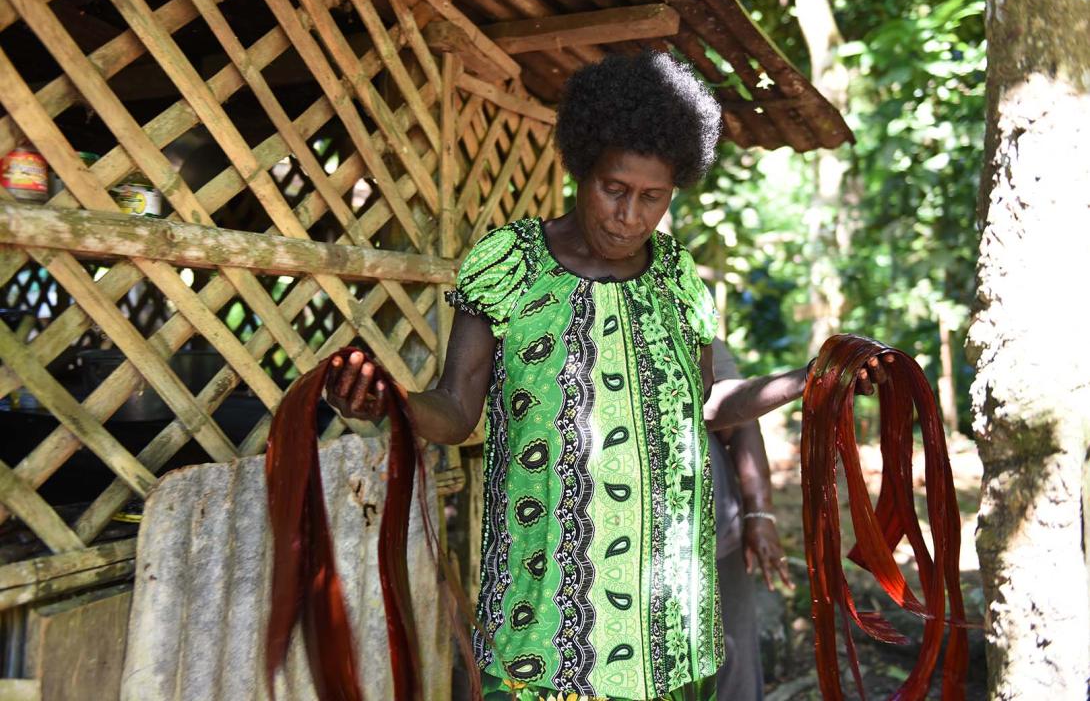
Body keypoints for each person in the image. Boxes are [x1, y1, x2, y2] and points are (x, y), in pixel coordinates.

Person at [326, 50, 888, 701]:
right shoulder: (509, 263)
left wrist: (814, 377)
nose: (630, 215)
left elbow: (705, 406)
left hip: (667, 620)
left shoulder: (678, 280)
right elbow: (455, 409)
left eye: (653, 198)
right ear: (580, 170)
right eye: (614, 189)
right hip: (540, 617)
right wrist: (388, 402)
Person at [706, 339, 790, 701]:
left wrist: (759, 512)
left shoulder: (678, 295)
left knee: (730, 657)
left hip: (712, 527)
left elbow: (736, 415)